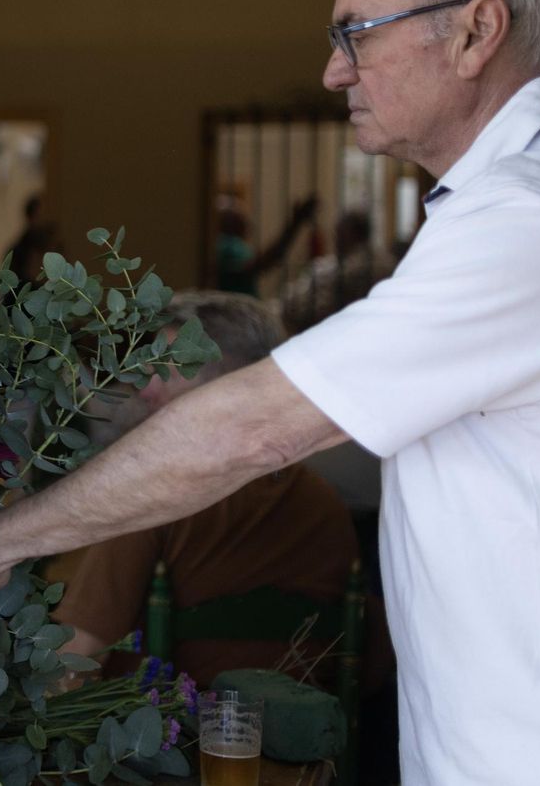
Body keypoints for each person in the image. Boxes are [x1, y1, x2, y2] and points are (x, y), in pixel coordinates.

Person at [0, 0, 540, 783]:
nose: (333, 72)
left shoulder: (537, 219)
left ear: (477, 32)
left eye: (358, 33)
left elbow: (250, 428)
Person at [48, 292, 357, 690]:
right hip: (303, 724)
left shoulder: (157, 496)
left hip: (163, 724)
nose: (145, 387)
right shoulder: (325, 504)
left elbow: (76, 656)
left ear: (232, 382)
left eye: (167, 368)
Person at [281, 210, 399, 333]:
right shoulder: (386, 262)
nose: (335, 237)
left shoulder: (349, 267)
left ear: (354, 234)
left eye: (340, 232)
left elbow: (300, 305)